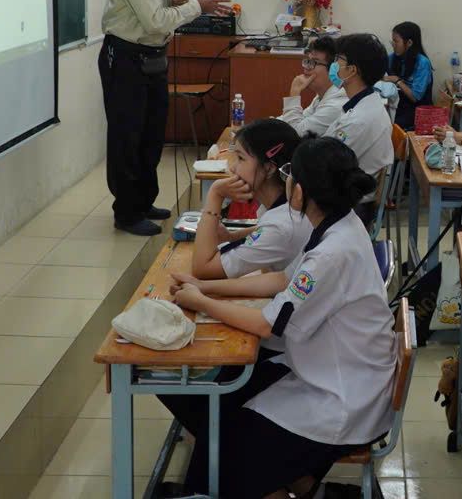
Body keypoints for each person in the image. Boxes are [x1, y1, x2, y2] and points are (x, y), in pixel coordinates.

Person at [161, 138, 397, 498]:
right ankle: (296, 483)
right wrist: (205, 289)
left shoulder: (331, 252)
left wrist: (202, 301)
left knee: (222, 445)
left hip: (343, 396)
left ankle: (256, 485)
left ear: (299, 191)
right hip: (344, 370)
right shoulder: (340, 223)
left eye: (290, 174)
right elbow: (285, 280)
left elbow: (268, 324)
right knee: (221, 417)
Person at [99, 0, 232, 236]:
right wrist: (195, 6)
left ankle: (143, 201)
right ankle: (126, 212)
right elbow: (155, 20)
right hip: (126, 58)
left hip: (154, 57)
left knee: (152, 134)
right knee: (127, 136)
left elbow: (161, 11)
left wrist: (176, 3)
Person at [185, 119, 309, 281]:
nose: (232, 167)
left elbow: (202, 269)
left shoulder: (282, 224)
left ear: (269, 168)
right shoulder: (287, 203)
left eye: (241, 158)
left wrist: (215, 194)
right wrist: (231, 237)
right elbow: (265, 231)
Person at [322, 34, 394, 178]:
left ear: (352, 70)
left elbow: (326, 164)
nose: (333, 64)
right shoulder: (366, 102)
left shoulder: (358, 120)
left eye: (338, 59)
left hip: (347, 194)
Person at [279, 36, 347, 138]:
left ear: (334, 68)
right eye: (308, 61)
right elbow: (299, 120)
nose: (306, 68)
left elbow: (295, 134)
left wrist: (294, 93)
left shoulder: (335, 105)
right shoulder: (322, 95)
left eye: (314, 62)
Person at [382, 22, 433, 131]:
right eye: (392, 41)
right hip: (400, 105)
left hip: (418, 111)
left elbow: (415, 97)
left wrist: (397, 80)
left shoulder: (422, 63)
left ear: (409, 42)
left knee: (388, 126)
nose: (393, 45)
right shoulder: (393, 57)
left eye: (396, 41)